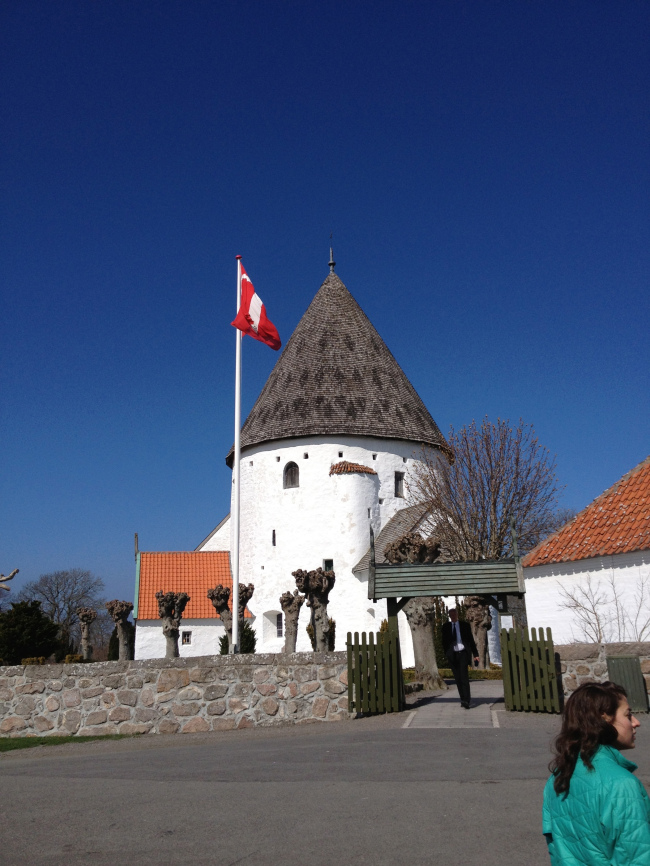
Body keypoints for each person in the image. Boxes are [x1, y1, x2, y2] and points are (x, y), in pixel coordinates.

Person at [543, 681, 650, 865]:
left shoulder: (558, 777)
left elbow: (556, 848)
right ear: (604, 718)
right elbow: (638, 857)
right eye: (628, 715)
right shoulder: (622, 784)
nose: (636, 722)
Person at [441, 608, 479, 709]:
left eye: (454, 614)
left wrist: (475, 654)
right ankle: (462, 699)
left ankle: (467, 700)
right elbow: (444, 642)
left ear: (457, 615)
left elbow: (470, 640)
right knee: (457, 678)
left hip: (463, 653)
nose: (453, 616)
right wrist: (447, 654)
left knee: (464, 677)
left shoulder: (464, 625)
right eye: (451, 615)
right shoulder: (446, 627)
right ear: (449, 616)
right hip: (452, 654)